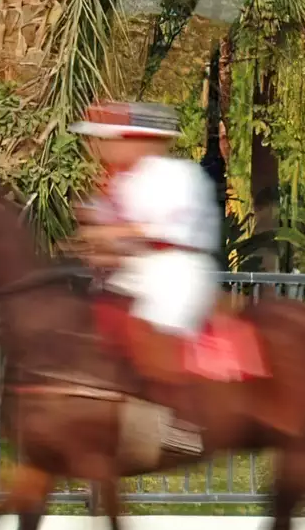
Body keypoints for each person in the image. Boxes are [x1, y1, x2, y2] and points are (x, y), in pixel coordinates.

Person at [69, 102, 222, 380]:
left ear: (139, 140)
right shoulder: (118, 180)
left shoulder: (178, 174)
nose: (97, 145)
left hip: (175, 273)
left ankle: (179, 404)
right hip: (130, 274)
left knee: (156, 350)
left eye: (106, 138)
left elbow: (164, 228)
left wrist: (110, 234)